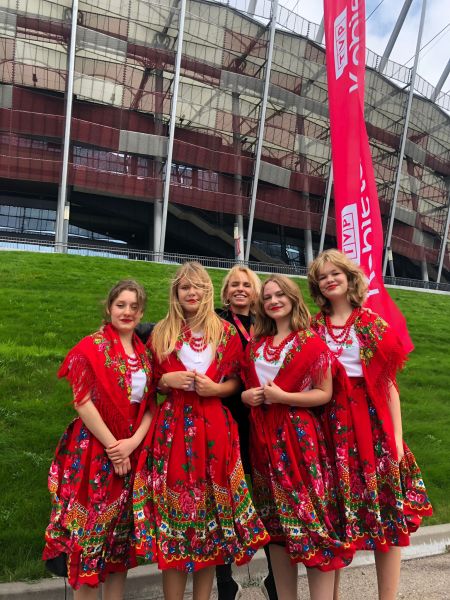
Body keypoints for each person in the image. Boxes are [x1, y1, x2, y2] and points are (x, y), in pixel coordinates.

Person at [133, 262, 269, 600]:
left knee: (211, 521)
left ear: (208, 292)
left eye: (198, 287)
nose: (191, 293)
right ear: (176, 293)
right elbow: (147, 384)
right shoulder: (162, 332)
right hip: (173, 432)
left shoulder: (224, 332)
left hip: (215, 431)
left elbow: (238, 380)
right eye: (184, 288)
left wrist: (216, 390)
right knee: (176, 521)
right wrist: (165, 380)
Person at [308, 249, 432, 600]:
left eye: (336, 274)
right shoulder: (313, 328)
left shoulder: (371, 324)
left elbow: (388, 386)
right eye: (323, 276)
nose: (330, 280)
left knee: (387, 511)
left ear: (349, 279)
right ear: (318, 286)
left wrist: (396, 438)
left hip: (371, 425)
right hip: (329, 426)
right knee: (337, 514)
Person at [241, 275, 354, 600]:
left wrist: (284, 397)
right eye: (268, 297)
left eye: (280, 295)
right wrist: (249, 396)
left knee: (313, 522)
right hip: (263, 441)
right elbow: (251, 386)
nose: (274, 300)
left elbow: (324, 393)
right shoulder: (257, 345)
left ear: (292, 299)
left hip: (300, 442)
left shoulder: (311, 343)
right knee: (276, 529)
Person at [43, 280, 154, 599]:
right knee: (89, 544)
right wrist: (115, 449)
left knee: (119, 549)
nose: (127, 311)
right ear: (109, 308)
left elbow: (149, 407)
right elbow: (82, 401)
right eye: (121, 305)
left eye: (134, 306)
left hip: (130, 453)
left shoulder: (145, 355)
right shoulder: (90, 348)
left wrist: (131, 444)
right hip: (94, 451)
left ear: (142, 311)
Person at [215, 266, 278, 600]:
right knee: (222, 498)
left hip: (264, 419)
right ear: (225, 293)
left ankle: (274, 578)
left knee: (267, 497)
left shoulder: (269, 323)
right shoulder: (214, 320)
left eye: (246, 285)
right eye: (234, 285)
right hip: (225, 418)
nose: (240, 289)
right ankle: (225, 580)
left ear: (255, 292)